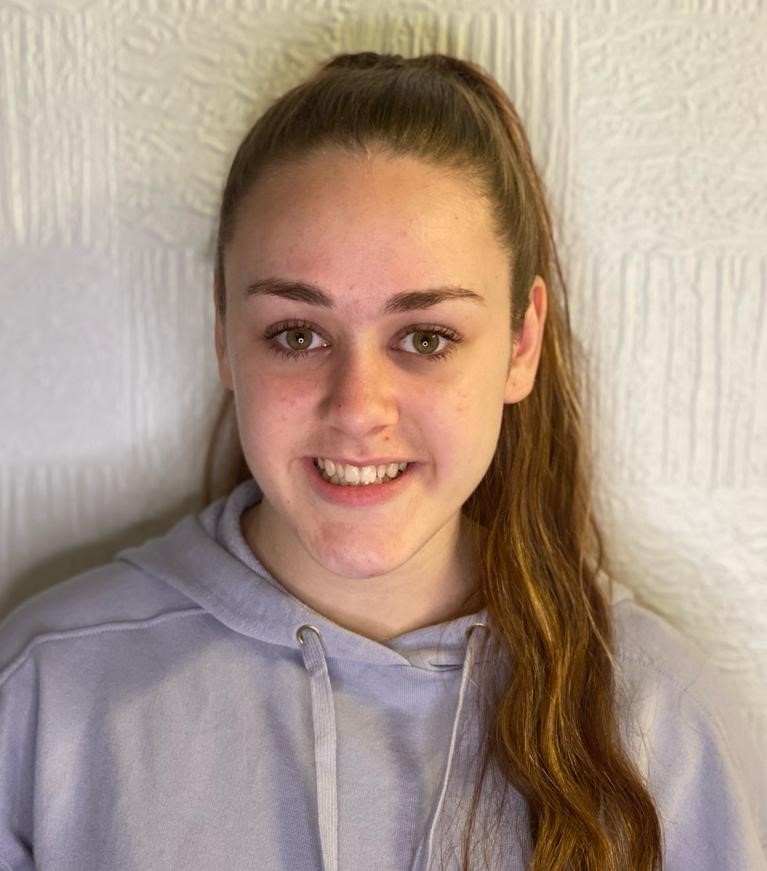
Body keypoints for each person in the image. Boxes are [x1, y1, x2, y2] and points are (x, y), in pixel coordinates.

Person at [0, 52, 764, 871]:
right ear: (226, 334)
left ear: (520, 343)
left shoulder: (658, 726)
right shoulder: (49, 693)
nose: (359, 407)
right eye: (297, 334)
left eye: (426, 337)